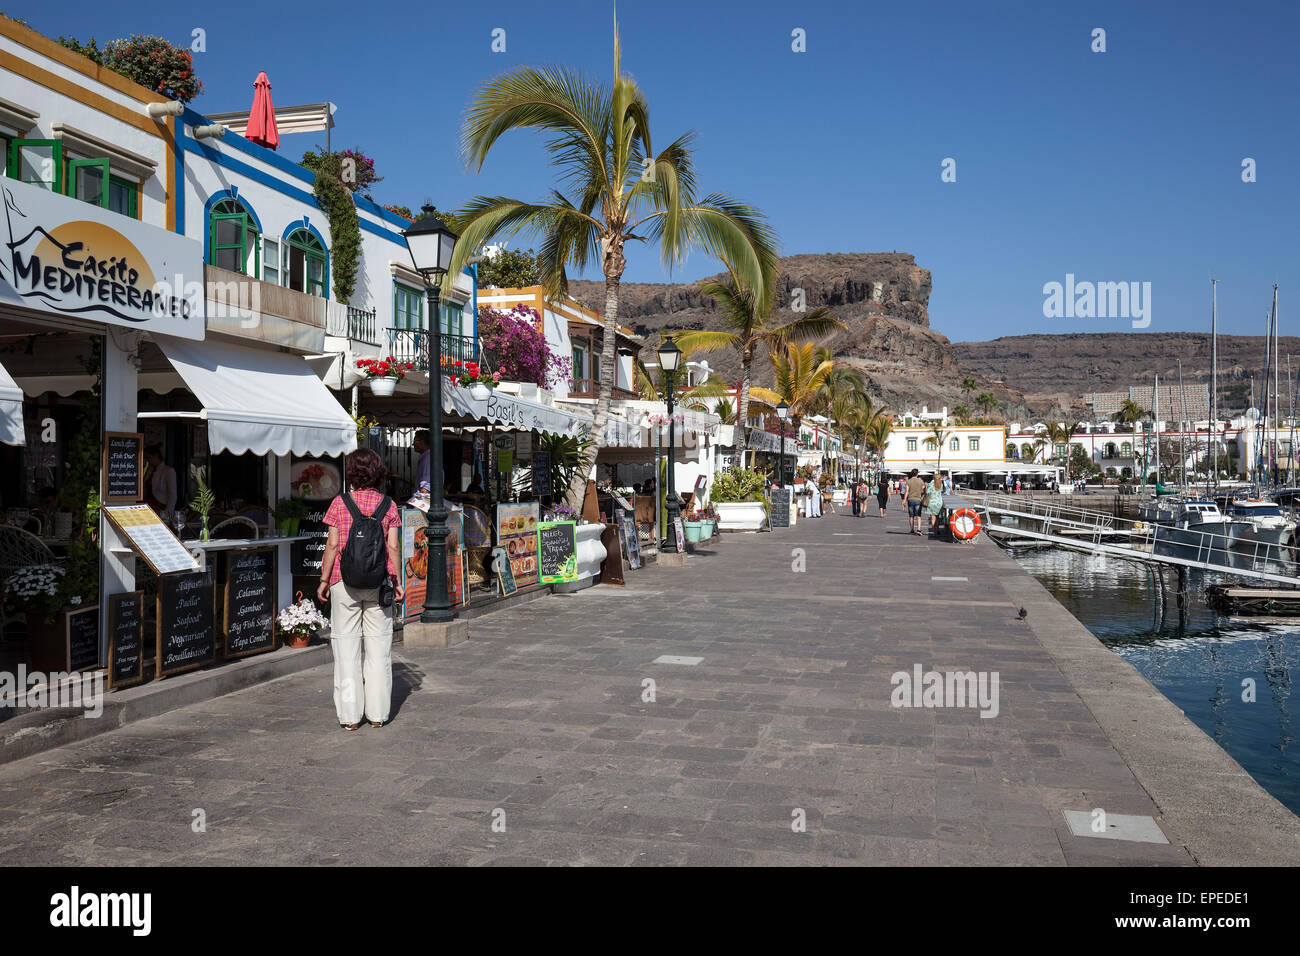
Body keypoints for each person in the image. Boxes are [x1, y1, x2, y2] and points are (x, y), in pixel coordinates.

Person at [317, 449, 403, 731]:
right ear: (378, 472)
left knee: (346, 650)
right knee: (379, 650)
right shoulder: (388, 506)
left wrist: (323, 580)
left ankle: (351, 717)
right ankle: (378, 715)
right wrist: (398, 581)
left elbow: (331, 545)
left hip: (344, 582)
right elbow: (392, 547)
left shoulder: (339, 503)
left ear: (351, 472)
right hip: (379, 583)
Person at [143, 444, 177, 521]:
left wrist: (168, 513)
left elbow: (173, 494)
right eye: (146, 459)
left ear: (156, 456)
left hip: (160, 506)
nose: (148, 461)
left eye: (149, 458)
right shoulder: (150, 470)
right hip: (147, 505)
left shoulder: (168, 471)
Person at [905, 468, 927, 536]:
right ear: (917, 474)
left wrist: (904, 500)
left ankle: (912, 529)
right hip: (918, 499)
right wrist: (923, 492)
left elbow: (907, 491)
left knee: (911, 515)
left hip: (910, 499)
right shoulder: (920, 481)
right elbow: (924, 490)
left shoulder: (909, 481)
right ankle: (918, 530)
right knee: (918, 515)